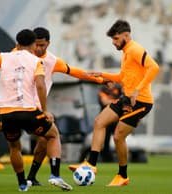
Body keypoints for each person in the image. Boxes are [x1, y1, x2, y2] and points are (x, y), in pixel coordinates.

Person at [0, 27, 104, 185]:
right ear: (32, 43)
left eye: (42, 45)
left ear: (48, 43)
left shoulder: (52, 61)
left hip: (28, 107)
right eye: (37, 44)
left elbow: (75, 71)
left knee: (41, 141)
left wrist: (98, 78)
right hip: (12, 106)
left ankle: (30, 178)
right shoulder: (18, 55)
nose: (39, 48)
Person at [0, 29, 73, 191]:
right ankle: (55, 175)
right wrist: (45, 110)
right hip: (28, 110)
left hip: (6, 113)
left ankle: (22, 183)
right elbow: (41, 85)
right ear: (34, 44)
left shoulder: (5, 57)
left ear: (17, 44)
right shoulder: (36, 61)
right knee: (53, 135)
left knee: (14, 147)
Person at [68, 19, 160, 186]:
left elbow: (154, 67)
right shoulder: (126, 52)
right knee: (99, 122)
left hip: (141, 102)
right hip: (128, 98)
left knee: (118, 136)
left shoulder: (135, 49)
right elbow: (122, 78)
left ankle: (122, 176)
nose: (114, 42)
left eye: (116, 39)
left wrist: (138, 89)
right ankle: (91, 164)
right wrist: (102, 74)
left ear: (126, 35)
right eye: (113, 39)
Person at [98, 82, 122, 162]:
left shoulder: (118, 89)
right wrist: (118, 101)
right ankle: (106, 158)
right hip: (106, 120)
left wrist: (112, 101)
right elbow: (104, 102)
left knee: (119, 138)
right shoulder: (103, 90)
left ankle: (121, 157)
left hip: (117, 120)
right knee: (105, 140)